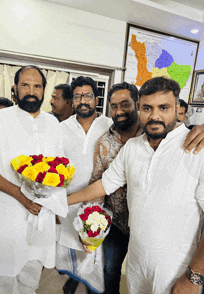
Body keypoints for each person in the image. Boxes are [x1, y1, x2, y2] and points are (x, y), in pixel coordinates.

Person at [67, 76, 204, 294]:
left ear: (178, 108)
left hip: (178, 269)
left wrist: (194, 276)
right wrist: (62, 201)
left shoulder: (197, 147)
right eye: (148, 108)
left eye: (164, 107)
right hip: (137, 264)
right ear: (140, 108)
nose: (155, 116)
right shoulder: (132, 147)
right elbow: (104, 184)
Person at [0, 65, 68, 294]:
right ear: (15, 88)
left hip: (42, 215)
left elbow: (60, 168)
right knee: (5, 278)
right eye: (25, 85)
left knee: (31, 277)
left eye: (37, 86)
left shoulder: (53, 123)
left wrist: (54, 203)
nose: (31, 91)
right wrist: (21, 196)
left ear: (43, 89)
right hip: (6, 217)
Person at [82, 82, 142, 294]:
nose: (119, 111)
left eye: (125, 105)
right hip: (116, 223)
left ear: (137, 103)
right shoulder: (104, 142)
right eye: (114, 106)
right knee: (110, 271)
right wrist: (91, 230)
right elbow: (96, 183)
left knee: (141, 277)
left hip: (145, 226)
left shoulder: (153, 135)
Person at [56, 76, 112, 294]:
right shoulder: (62, 128)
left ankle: (87, 285)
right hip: (68, 203)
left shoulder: (108, 124)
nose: (83, 101)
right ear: (72, 101)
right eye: (77, 96)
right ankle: (72, 280)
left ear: (96, 99)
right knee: (71, 250)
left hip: (100, 202)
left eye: (88, 95)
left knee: (95, 255)